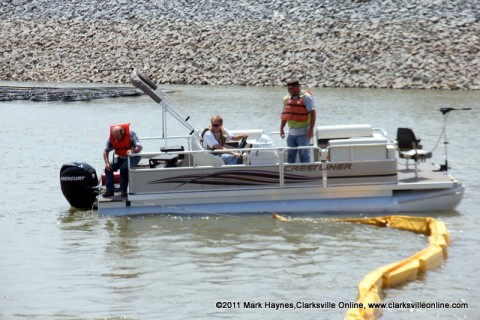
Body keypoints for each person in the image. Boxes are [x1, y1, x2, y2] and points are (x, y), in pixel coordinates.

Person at [279, 79, 316, 163]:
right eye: (288, 88)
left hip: (304, 133)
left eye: (291, 88)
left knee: (304, 154)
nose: (289, 90)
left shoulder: (306, 97)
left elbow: (313, 113)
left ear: (298, 87)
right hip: (292, 133)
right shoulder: (287, 99)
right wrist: (281, 128)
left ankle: (306, 171)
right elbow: (285, 114)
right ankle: (290, 172)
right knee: (291, 154)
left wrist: (311, 129)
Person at [103, 123, 143, 197]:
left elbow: (140, 147)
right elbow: (106, 151)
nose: (116, 139)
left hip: (133, 157)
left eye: (118, 137)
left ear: (123, 133)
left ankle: (123, 190)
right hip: (120, 157)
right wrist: (107, 163)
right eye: (115, 137)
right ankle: (109, 190)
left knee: (124, 168)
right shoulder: (112, 137)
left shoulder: (131, 134)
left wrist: (132, 151)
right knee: (108, 169)